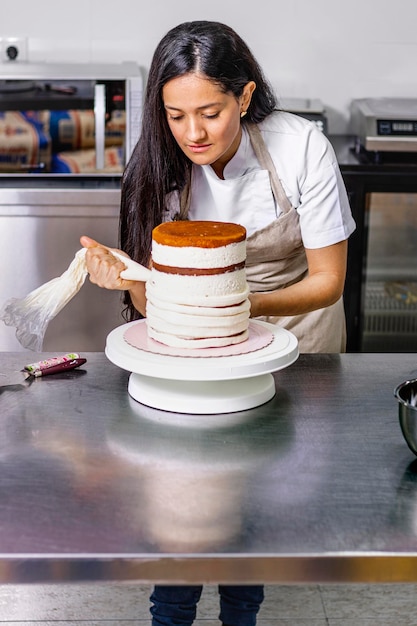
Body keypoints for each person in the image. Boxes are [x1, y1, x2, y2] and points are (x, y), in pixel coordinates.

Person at [81, 19, 355, 626]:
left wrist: (240, 308)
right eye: (176, 116)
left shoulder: (301, 146)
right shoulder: (157, 160)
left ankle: (242, 615)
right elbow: (154, 304)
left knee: (259, 495)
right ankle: (171, 613)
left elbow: (328, 280)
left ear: (246, 96)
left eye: (210, 112)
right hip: (192, 343)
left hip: (296, 327)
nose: (192, 133)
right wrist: (127, 276)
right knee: (179, 496)